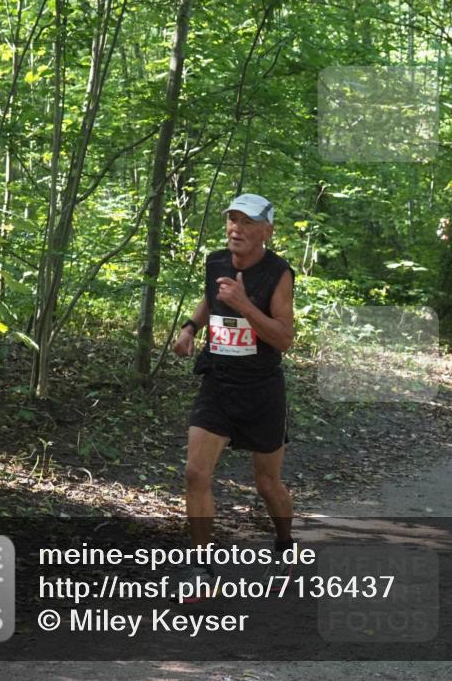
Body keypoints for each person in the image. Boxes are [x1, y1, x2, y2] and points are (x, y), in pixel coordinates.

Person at [172, 193, 295, 599]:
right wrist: (191, 327)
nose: (235, 229)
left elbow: (284, 338)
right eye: (232, 220)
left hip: (261, 389)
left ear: (266, 231)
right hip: (219, 381)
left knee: (267, 483)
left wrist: (244, 305)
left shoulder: (278, 274)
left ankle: (284, 545)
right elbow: (212, 296)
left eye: (246, 222)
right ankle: (201, 568)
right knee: (195, 473)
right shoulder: (216, 260)